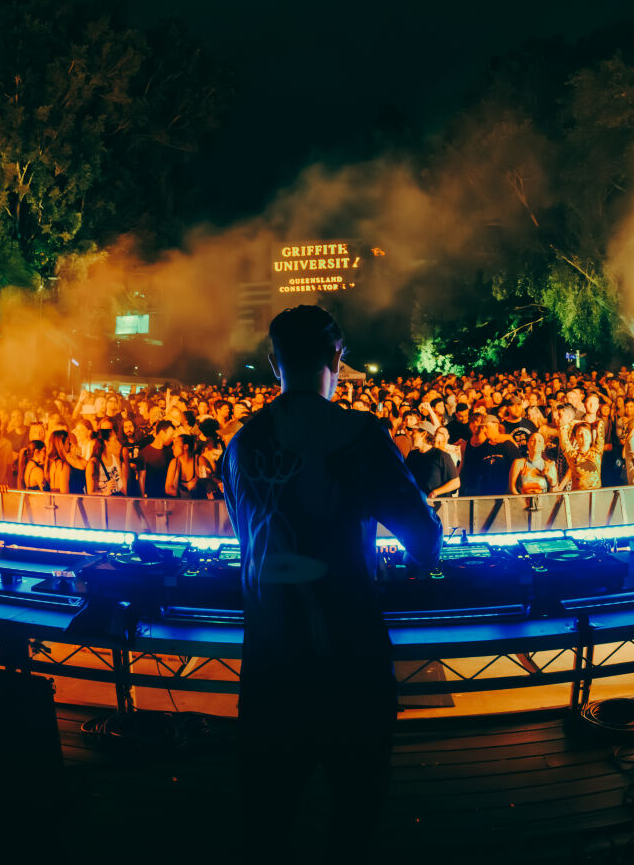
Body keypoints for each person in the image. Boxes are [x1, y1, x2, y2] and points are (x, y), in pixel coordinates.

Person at [222, 305, 440, 861]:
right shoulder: (361, 437)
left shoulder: (241, 444)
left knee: (266, 829)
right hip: (351, 665)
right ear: (337, 357)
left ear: (274, 363)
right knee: (352, 826)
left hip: (270, 665)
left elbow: (251, 543)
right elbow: (426, 542)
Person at [405, 421, 460, 499]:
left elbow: (456, 482)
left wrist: (435, 492)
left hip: (438, 504)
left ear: (423, 434)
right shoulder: (412, 455)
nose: (411, 435)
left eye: (414, 432)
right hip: (418, 503)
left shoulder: (441, 456)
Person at [136, 421, 176, 497]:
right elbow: (141, 479)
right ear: (162, 433)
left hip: (168, 496)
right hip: (152, 496)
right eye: (171, 435)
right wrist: (143, 498)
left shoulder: (170, 451)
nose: (172, 438)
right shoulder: (144, 453)